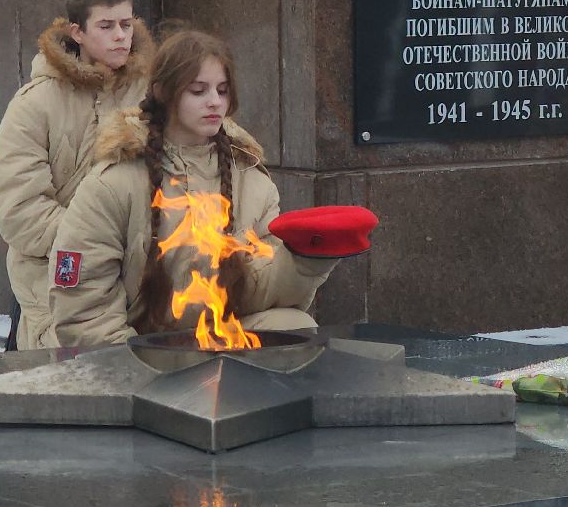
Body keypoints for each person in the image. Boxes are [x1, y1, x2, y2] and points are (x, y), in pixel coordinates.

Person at [49, 29, 377, 346]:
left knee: (295, 330)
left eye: (222, 90)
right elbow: (82, 310)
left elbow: (256, 293)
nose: (214, 102)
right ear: (164, 92)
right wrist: (138, 368)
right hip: (142, 353)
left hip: (219, 340)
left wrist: (307, 258)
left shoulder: (252, 181)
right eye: (198, 90)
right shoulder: (113, 183)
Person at [0, 0, 155, 350]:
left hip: (141, 273)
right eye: (106, 26)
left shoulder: (152, 97)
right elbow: (18, 207)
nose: (120, 36)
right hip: (53, 273)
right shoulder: (35, 104)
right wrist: (94, 241)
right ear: (78, 33)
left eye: (126, 25)